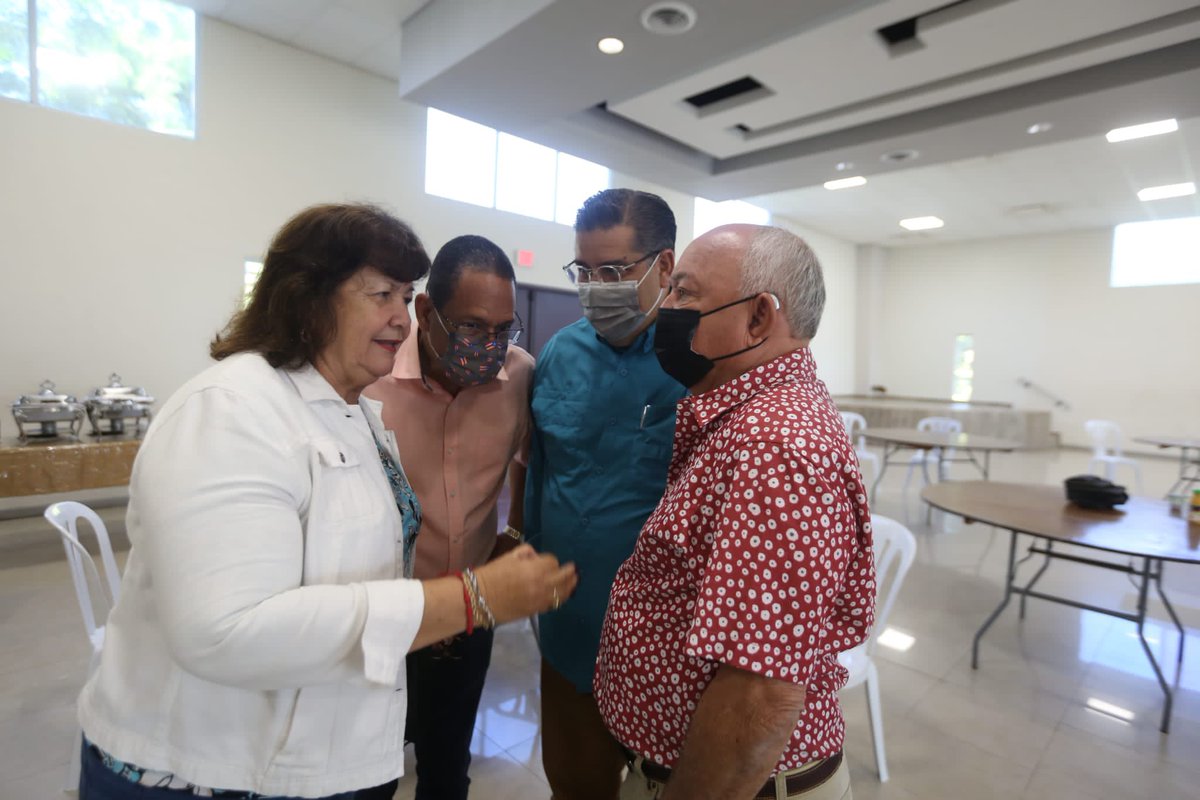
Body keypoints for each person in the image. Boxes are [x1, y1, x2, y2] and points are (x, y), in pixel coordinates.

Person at [74, 203, 576, 800]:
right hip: (201, 770)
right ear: (308, 298)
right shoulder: (229, 410)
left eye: (404, 294)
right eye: (381, 295)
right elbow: (222, 631)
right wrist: (467, 599)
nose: (399, 319)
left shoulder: (350, 410)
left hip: (303, 748)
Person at [594, 224, 875, 800]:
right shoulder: (740, 418)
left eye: (685, 294)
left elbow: (759, 696)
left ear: (759, 317)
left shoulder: (777, 449)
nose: (663, 310)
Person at [525, 189, 687, 800]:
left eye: (614, 271)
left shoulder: (698, 361)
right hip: (568, 624)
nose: (596, 288)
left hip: (663, 643)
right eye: (584, 271)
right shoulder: (561, 353)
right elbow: (539, 468)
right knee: (575, 784)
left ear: (664, 267)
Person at [359, 235, 533, 800]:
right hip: (382, 621)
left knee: (448, 770)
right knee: (368, 775)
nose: (489, 345)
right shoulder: (370, 378)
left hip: (467, 619)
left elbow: (530, 459)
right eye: (471, 327)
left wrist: (516, 531)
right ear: (426, 312)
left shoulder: (519, 377)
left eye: (503, 329)